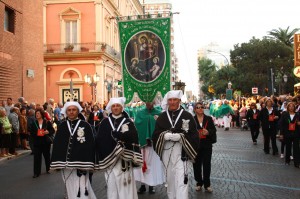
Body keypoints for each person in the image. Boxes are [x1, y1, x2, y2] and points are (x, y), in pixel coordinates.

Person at [152, 90, 199, 199]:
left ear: (179, 101)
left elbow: (194, 135)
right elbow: (155, 135)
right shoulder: (162, 117)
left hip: (182, 152)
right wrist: (163, 136)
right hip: (166, 152)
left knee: (182, 180)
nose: (172, 102)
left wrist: (182, 137)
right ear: (167, 101)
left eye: (175, 100)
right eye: (170, 100)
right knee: (170, 181)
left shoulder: (188, 116)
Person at [95, 97, 142, 199]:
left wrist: (121, 140)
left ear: (122, 108)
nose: (115, 108)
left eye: (118, 106)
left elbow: (134, 138)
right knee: (112, 189)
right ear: (111, 108)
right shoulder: (104, 123)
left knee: (126, 189)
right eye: (113, 106)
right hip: (110, 162)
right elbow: (100, 141)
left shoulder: (128, 122)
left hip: (124, 162)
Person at [50, 101, 96, 199]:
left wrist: (90, 161)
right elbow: (57, 145)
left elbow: (90, 145)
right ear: (66, 112)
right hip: (66, 165)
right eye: (69, 110)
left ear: (78, 111)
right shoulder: (62, 126)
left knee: (83, 186)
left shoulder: (85, 125)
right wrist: (56, 161)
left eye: (73, 110)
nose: (71, 112)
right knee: (69, 186)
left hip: (82, 164)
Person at [134, 102, 164, 194]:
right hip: (143, 145)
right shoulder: (140, 113)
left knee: (152, 165)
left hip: (153, 145)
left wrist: (151, 119)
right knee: (142, 164)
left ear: (154, 102)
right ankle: (143, 185)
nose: (149, 103)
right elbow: (137, 125)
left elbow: (162, 127)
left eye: (151, 101)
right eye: (147, 101)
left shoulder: (159, 113)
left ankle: (151, 185)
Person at [193, 102, 216, 193]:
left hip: (207, 144)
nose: (200, 109)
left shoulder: (209, 119)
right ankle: (199, 183)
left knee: (207, 164)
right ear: (195, 109)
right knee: (196, 164)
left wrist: (208, 132)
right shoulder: (192, 119)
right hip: (196, 145)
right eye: (198, 107)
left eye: (201, 107)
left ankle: (207, 184)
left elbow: (214, 130)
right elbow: (188, 131)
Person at [31, 109, 55, 178]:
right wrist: (37, 133)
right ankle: (36, 173)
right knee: (37, 158)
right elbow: (31, 132)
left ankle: (48, 169)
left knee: (47, 156)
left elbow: (52, 130)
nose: (37, 114)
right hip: (37, 143)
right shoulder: (34, 123)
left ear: (41, 114)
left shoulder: (47, 122)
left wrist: (47, 132)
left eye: (38, 113)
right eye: (36, 113)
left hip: (45, 142)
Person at [279, 102, 300, 167]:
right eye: (290, 106)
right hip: (287, 133)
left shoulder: (298, 115)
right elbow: (281, 124)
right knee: (288, 147)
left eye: (292, 106)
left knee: (296, 148)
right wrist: (281, 134)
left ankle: (297, 162)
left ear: (294, 107)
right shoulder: (284, 114)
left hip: (296, 134)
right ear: (288, 107)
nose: (291, 107)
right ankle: (287, 160)